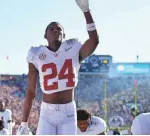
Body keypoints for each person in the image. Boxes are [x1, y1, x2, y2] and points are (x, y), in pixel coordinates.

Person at [16, 0, 99, 134]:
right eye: (51, 29)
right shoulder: (36, 54)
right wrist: (24, 122)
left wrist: (86, 11)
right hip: (46, 113)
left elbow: (94, 41)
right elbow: (31, 91)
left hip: (68, 112)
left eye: (59, 29)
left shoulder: (73, 48)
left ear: (64, 35)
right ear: (45, 35)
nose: (55, 31)